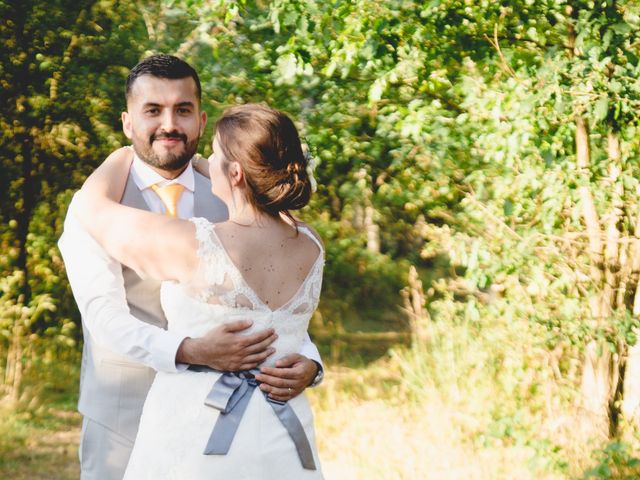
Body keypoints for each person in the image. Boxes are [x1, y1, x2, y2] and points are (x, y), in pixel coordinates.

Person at [58, 55, 323, 480]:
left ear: (201, 121)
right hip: (121, 412)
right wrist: (190, 350)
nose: (169, 124)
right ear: (128, 124)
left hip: (235, 422)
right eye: (153, 111)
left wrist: (310, 361)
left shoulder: (235, 194)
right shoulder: (94, 208)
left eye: (182, 110)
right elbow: (103, 316)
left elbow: (279, 308)